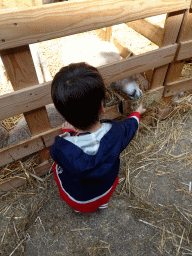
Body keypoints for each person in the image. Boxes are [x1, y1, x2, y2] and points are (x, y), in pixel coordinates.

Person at [50, 62, 146, 213]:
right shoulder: (116, 132)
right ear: (103, 106)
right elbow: (130, 127)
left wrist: (71, 133)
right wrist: (137, 113)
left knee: (57, 168)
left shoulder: (62, 147)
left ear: (63, 115)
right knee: (107, 184)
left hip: (78, 199)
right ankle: (102, 204)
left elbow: (60, 157)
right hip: (106, 189)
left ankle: (79, 209)